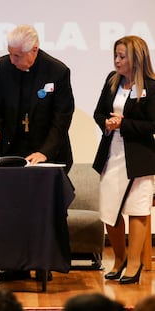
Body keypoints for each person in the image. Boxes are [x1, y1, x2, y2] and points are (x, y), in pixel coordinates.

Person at [0, 24, 75, 282]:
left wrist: (45, 152)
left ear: (33, 50)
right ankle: (15, 264)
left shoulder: (57, 71)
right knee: (10, 210)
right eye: (10, 54)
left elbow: (61, 119)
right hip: (12, 151)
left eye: (17, 56)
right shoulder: (4, 67)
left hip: (49, 151)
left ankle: (46, 262)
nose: (12, 60)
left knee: (46, 210)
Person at [92, 35, 155, 285]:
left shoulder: (151, 85)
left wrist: (124, 124)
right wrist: (106, 124)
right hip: (112, 153)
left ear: (136, 58)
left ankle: (135, 264)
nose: (116, 61)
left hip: (140, 157)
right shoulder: (112, 81)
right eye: (115, 55)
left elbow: (152, 124)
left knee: (137, 210)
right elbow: (99, 112)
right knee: (110, 211)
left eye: (122, 56)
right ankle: (119, 259)